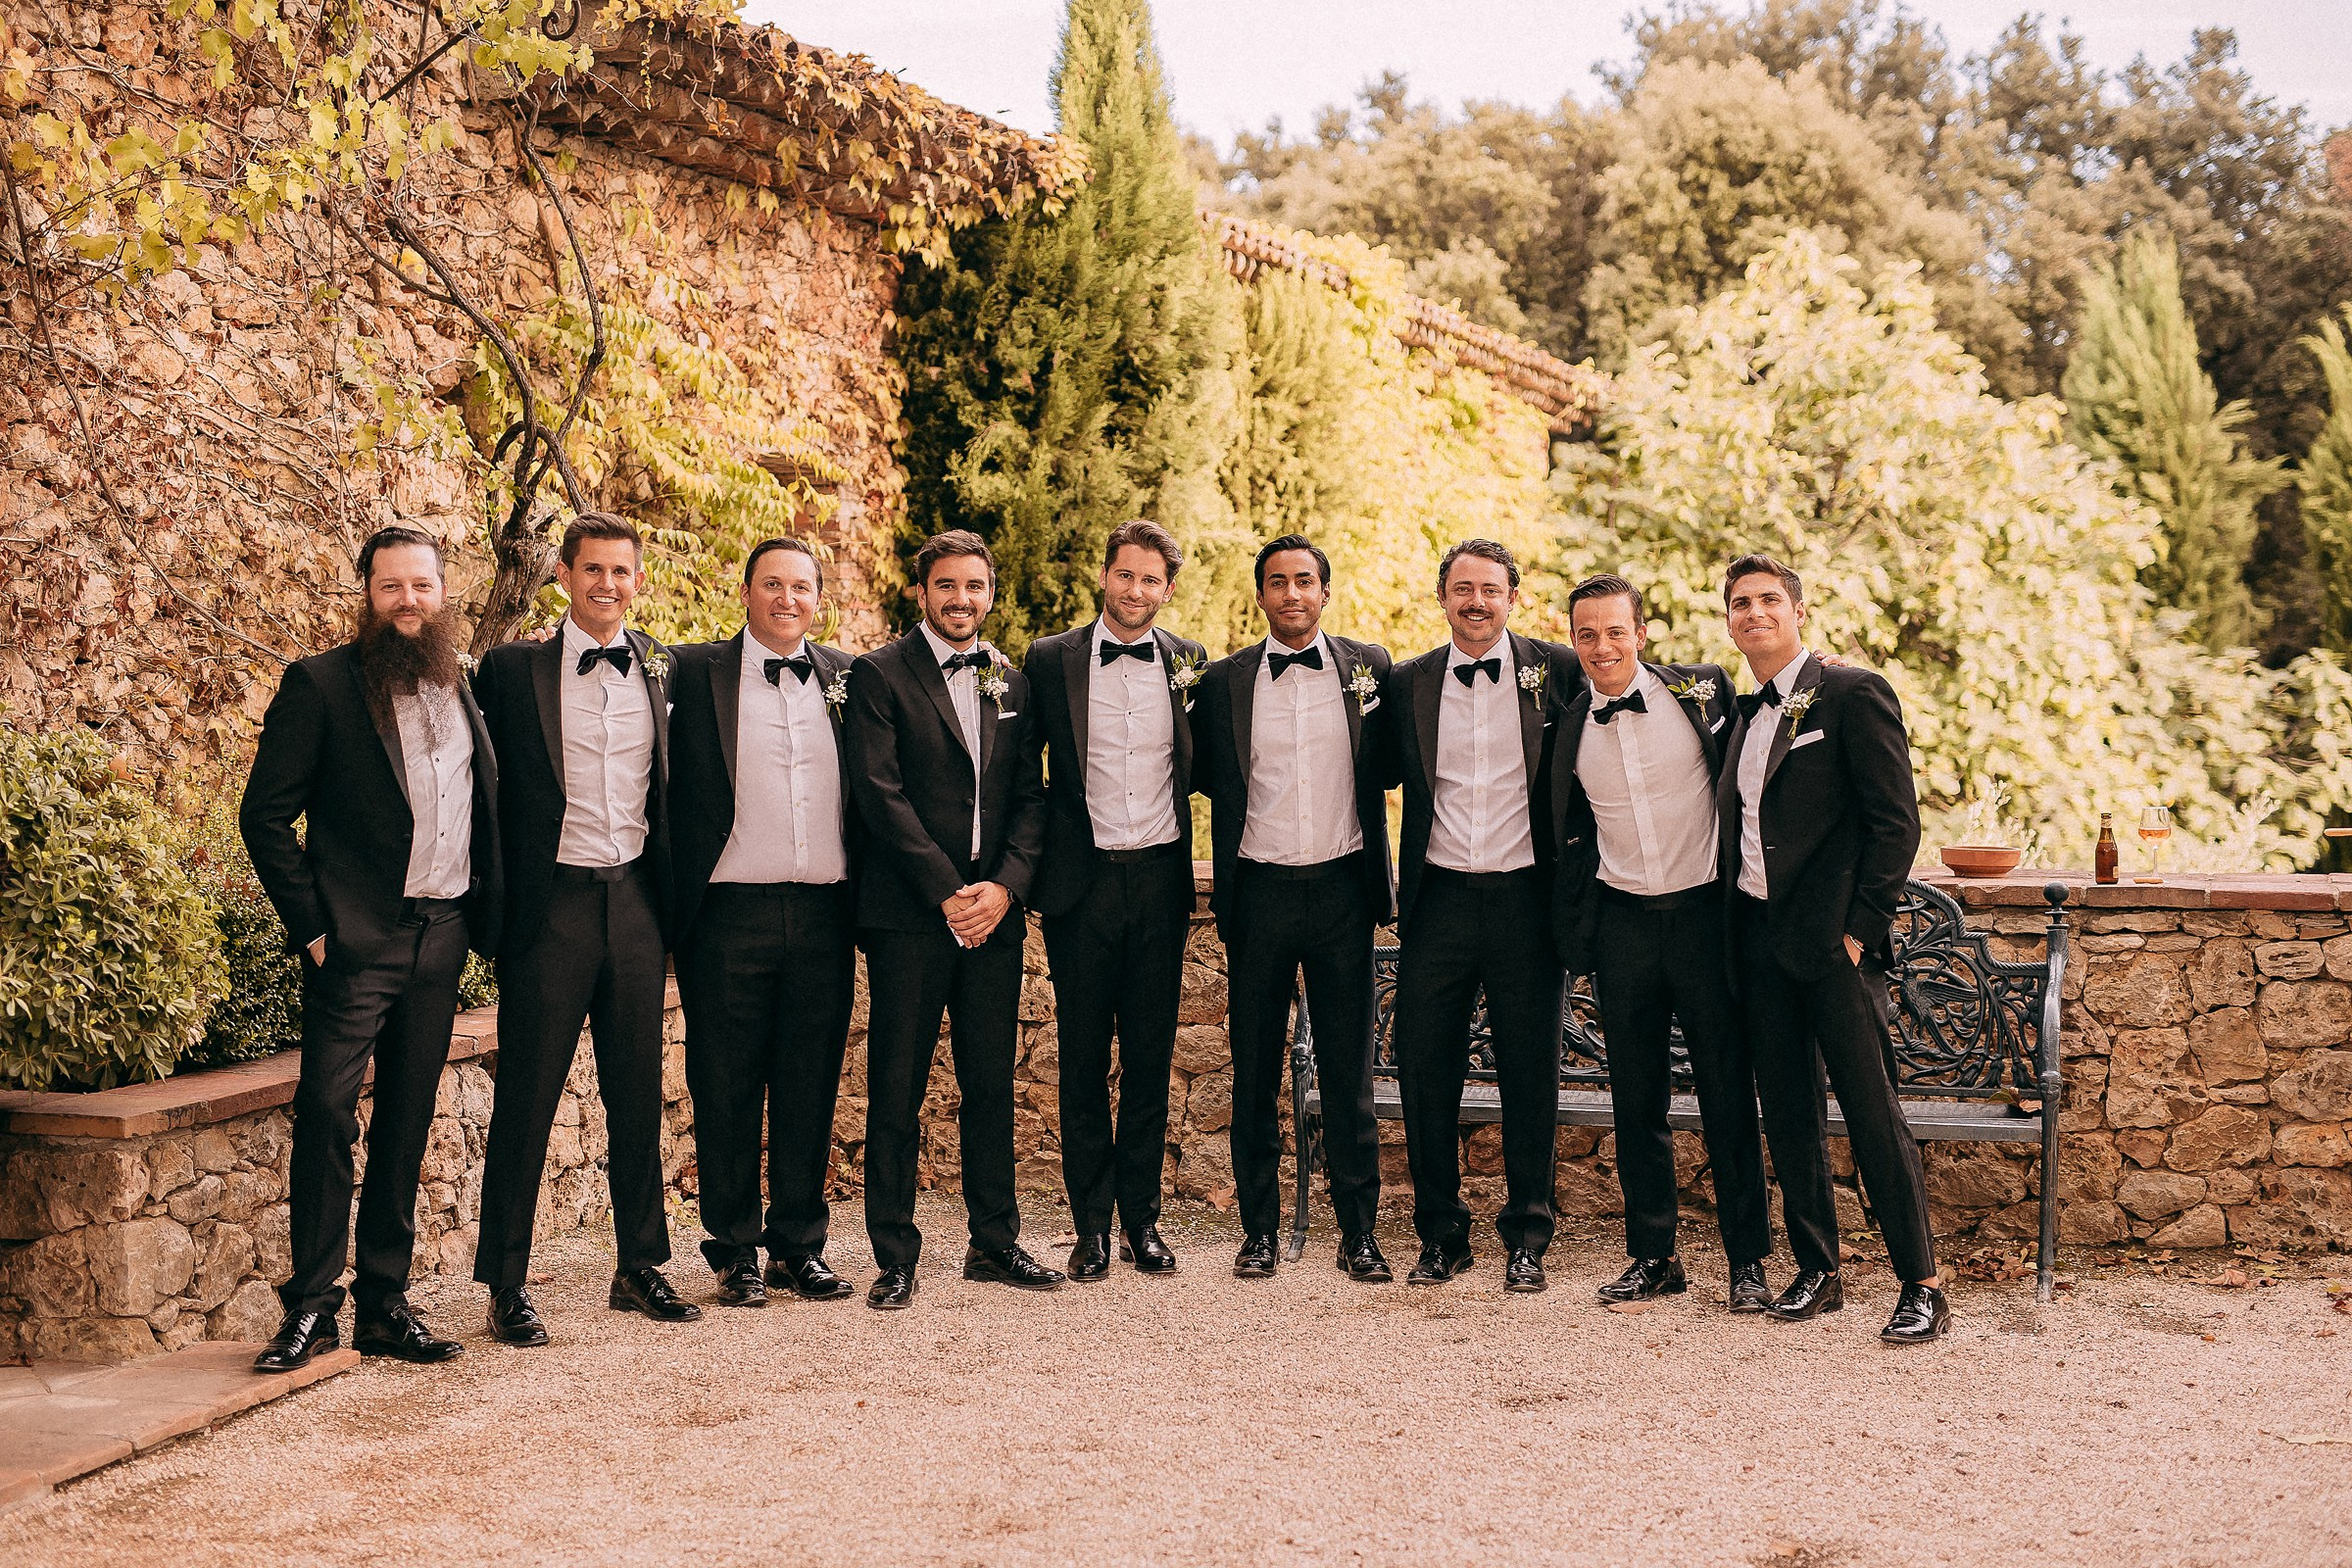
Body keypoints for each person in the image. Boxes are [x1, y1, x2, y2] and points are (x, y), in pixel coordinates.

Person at [239, 525, 500, 1371]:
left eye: (421, 586)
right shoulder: (319, 685)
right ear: (368, 594)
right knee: (324, 1113)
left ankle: (385, 1303)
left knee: (406, 1122)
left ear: (441, 592)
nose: (409, 602)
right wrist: (315, 928)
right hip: (355, 945)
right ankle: (312, 1307)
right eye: (392, 587)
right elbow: (265, 816)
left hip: (443, 935)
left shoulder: (460, 684)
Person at [471, 513, 697, 1345]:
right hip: (550, 905)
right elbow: (478, 790)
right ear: (563, 574)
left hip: (637, 900)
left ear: (640, 580)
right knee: (527, 1098)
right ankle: (506, 1283)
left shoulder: (666, 670)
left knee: (637, 1092)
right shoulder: (511, 669)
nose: (608, 584)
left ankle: (641, 1266)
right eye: (593, 569)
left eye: (623, 571)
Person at [1716, 552, 1949, 1344]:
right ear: (1729, 620)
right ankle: (1818, 1270)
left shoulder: (1852, 693)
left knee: (1873, 1116)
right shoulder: (1742, 716)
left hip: (1833, 951)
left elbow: (1897, 825)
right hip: (1757, 944)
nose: (1755, 614)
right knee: (1786, 1114)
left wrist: (1857, 933)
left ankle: (1922, 1284)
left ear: (1799, 610)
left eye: (1769, 600)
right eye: (1741, 603)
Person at [844, 529, 1055, 1310]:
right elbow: (879, 794)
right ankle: (894, 1254)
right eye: (946, 586)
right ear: (921, 592)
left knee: (989, 1083)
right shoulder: (878, 673)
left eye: (974, 586)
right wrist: (946, 892)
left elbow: (1032, 800)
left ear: (989, 593)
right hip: (909, 917)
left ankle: (994, 1243)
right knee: (896, 1088)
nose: (960, 600)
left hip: (993, 917)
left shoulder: (1012, 680)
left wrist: (1002, 888)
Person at [1550, 572, 1772, 1311]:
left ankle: (1748, 1263)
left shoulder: (1704, 691)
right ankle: (1654, 1256)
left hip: (1706, 919)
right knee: (1634, 1098)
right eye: (1588, 634)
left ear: (1642, 635)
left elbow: (1771, 725)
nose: (1603, 646)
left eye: (1617, 631)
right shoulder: (1569, 725)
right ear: (1574, 641)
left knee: (1725, 1095)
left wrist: (1829, 666)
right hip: (1623, 925)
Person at [1193, 534, 1396, 1282]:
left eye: (1304, 581)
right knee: (1253, 1072)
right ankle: (1259, 1234)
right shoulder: (1223, 683)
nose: (1291, 594)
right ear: (1260, 596)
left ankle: (1359, 1234)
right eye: (1276, 583)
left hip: (1344, 889)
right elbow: (1206, 776)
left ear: (1325, 592)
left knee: (1349, 1074)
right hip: (1259, 895)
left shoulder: (1369, 669)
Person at [666, 538, 859, 1308]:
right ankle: (734, 1249)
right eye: (772, 584)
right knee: (725, 1082)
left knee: (812, 1083)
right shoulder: (689, 670)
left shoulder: (850, 677)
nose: (787, 599)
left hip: (824, 912)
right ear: (744, 592)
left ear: (819, 597)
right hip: (728, 912)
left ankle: (799, 1247)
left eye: (802, 586)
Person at [1387, 540, 1581, 1293]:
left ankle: (1528, 1235)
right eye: (1462, 588)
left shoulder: (1557, 671)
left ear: (1513, 599)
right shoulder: (1408, 682)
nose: (1476, 601)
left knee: (1530, 1075)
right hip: (1437, 902)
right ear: (1443, 598)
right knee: (1424, 1074)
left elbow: (1641, 688)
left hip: (1526, 904)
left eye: (1490, 589)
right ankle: (1441, 1236)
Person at [1021, 520, 1205, 1281]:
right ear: (1105, 577)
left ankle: (1143, 1222)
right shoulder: (1049, 659)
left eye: (1152, 580)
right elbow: (1017, 775)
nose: (1137, 591)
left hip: (1160, 881)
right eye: (1125, 576)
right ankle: (1089, 1227)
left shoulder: (1190, 664)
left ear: (1168, 588)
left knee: (1152, 1058)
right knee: (1083, 1059)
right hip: (1081, 884)